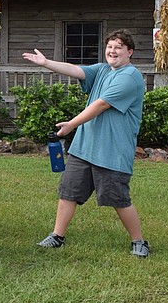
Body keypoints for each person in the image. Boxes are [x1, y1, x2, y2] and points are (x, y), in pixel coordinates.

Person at [22, 29, 150, 258]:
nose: (112, 51)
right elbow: (76, 70)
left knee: (119, 199)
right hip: (84, 147)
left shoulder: (130, 77)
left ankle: (139, 241)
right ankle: (57, 236)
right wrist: (46, 63)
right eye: (110, 47)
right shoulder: (102, 70)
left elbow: (101, 105)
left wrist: (71, 124)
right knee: (68, 192)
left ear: (129, 52)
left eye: (118, 47)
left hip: (111, 151)